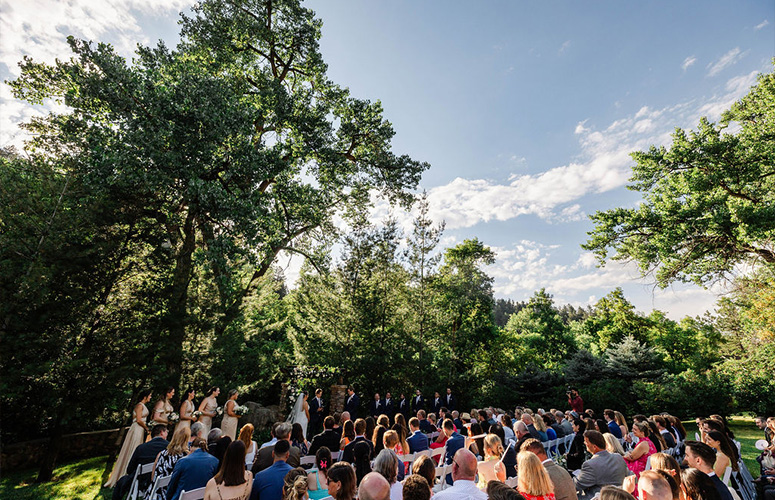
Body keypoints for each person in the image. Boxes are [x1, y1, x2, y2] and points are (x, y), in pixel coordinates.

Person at [105, 390, 153, 488]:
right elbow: (139, 419)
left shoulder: (142, 405)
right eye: (150, 395)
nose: (151, 397)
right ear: (145, 396)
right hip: (136, 429)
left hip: (140, 430)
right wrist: (147, 428)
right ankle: (125, 476)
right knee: (133, 449)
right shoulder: (139, 405)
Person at [110, 422, 169, 500]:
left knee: (122, 481)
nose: (167, 435)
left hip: (141, 482)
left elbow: (130, 469)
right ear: (162, 432)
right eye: (166, 432)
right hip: (163, 481)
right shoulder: (169, 447)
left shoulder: (141, 448)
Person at [573, 430, 629, 500]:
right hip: (620, 496)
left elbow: (576, 485)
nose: (585, 444)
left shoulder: (590, 465)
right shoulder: (618, 457)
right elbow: (628, 475)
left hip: (599, 497)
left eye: (586, 443)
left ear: (594, 447)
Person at [145, 426, 189, 500]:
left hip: (154, 495)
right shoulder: (185, 457)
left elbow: (153, 477)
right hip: (170, 495)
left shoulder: (161, 454)